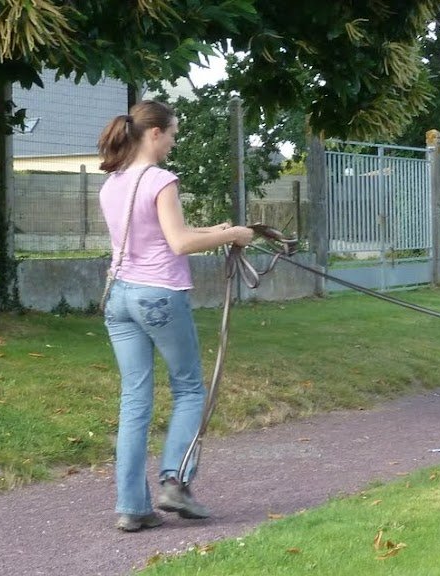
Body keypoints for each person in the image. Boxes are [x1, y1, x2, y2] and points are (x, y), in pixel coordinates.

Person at [97, 100, 253, 532]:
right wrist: (236, 234)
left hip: (119, 297)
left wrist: (219, 233)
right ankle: (175, 482)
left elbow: (160, 236)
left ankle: (131, 507)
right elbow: (179, 244)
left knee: (134, 401)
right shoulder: (161, 180)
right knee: (188, 389)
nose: (173, 142)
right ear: (154, 134)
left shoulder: (112, 183)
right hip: (160, 296)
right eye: (172, 135)